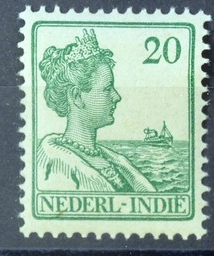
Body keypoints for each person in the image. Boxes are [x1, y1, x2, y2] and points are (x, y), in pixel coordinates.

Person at [35, 28, 156, 193]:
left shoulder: (112, 159)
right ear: (77, 96)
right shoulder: (54, 166)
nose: (117, 96)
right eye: (107, 89)